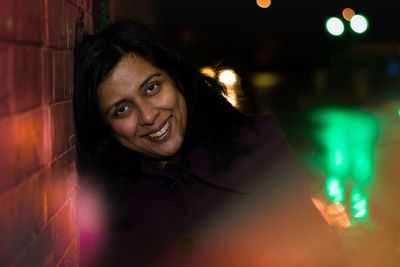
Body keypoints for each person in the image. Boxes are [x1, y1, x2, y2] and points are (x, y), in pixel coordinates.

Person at [73, 20, 347, 267]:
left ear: (176, 78)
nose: (147, 116)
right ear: (106, 127)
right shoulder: (104, 201)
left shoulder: (258, 143)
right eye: (121, 110)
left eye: (152, 88)